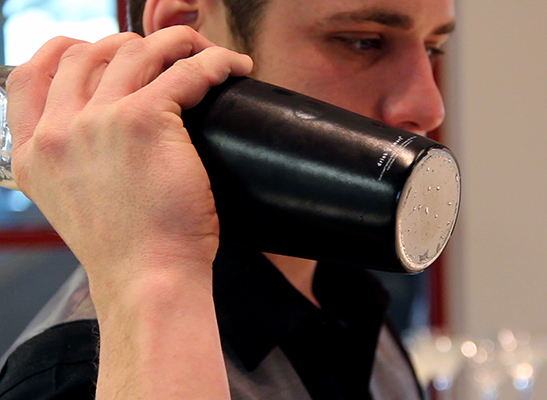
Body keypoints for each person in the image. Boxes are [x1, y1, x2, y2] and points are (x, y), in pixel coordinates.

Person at [0, 0, 454, 398]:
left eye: (433, 48)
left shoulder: (347, 295)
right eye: (363, 41)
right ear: (187, 31)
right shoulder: (80, 370)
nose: (430, 105)